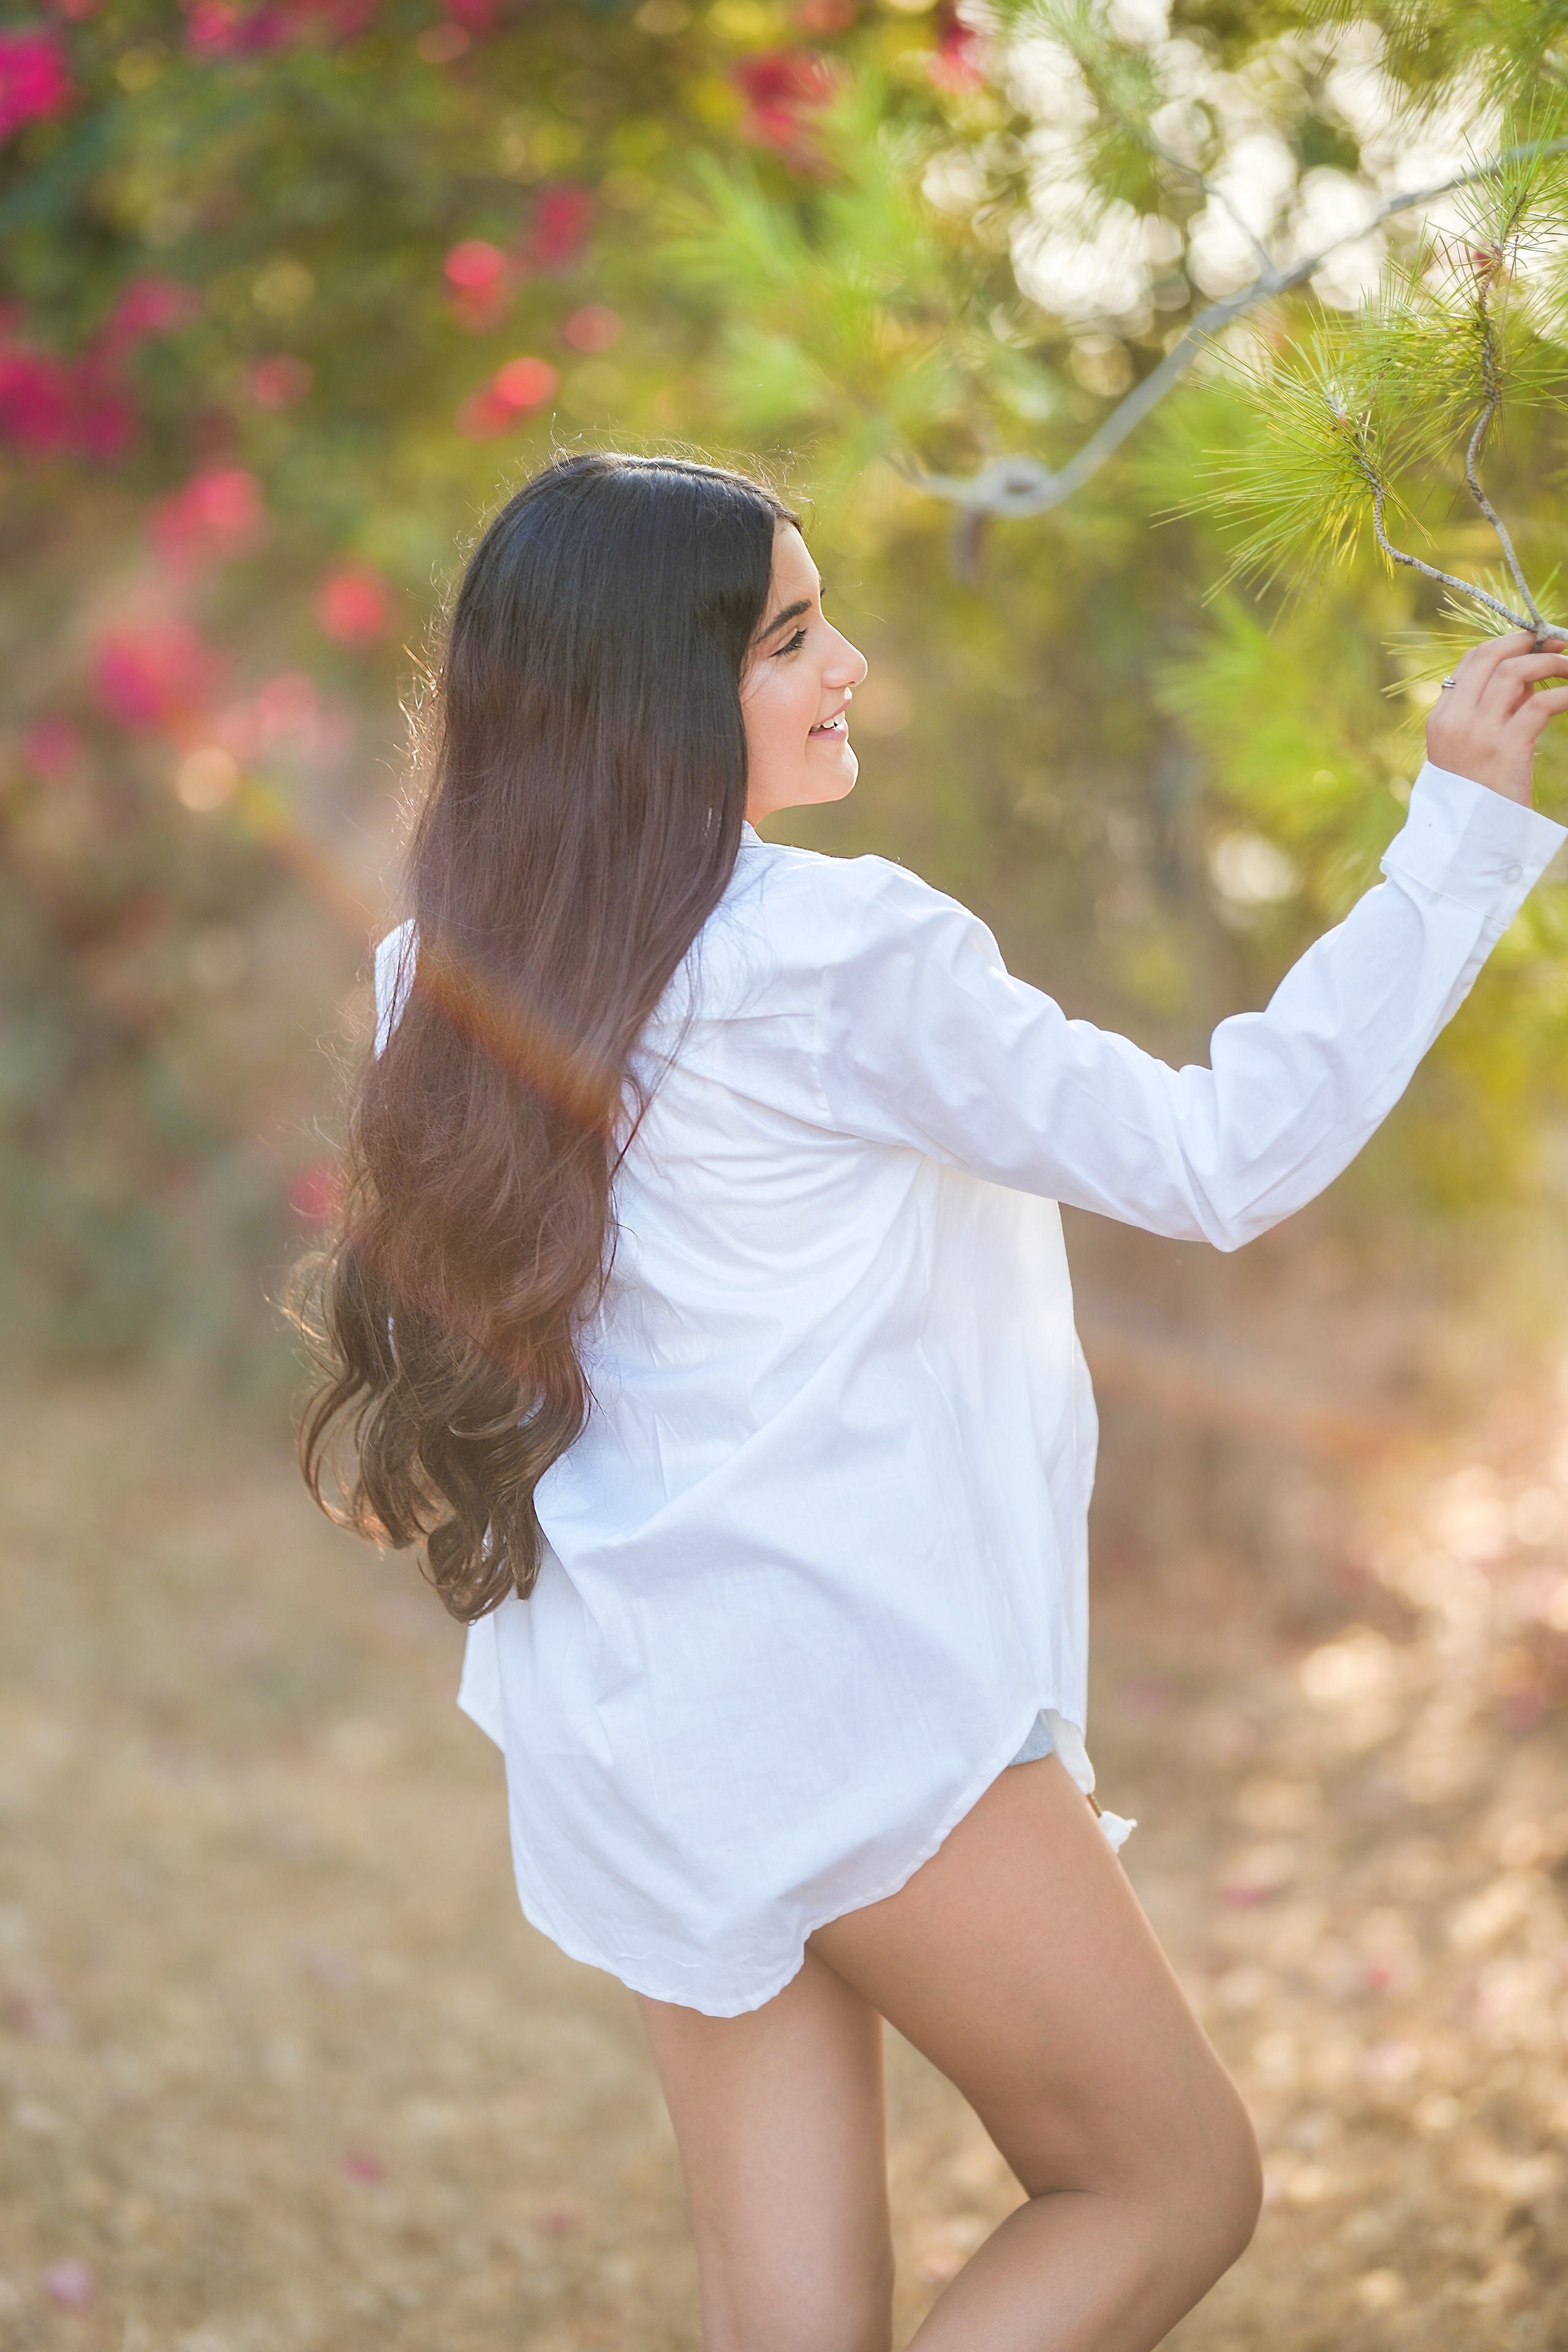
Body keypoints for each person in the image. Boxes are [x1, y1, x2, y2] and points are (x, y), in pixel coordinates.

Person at [298, 451, 1568, 2352]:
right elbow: (1220, 1157)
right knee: (1168, 2182)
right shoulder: (832, 952)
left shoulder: (443, 963)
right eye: (793, 638)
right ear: (656, 691)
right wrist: (1454, 840)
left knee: (790, 2319)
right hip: (842, 1695)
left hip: (632, 1712)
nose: (852, 666)